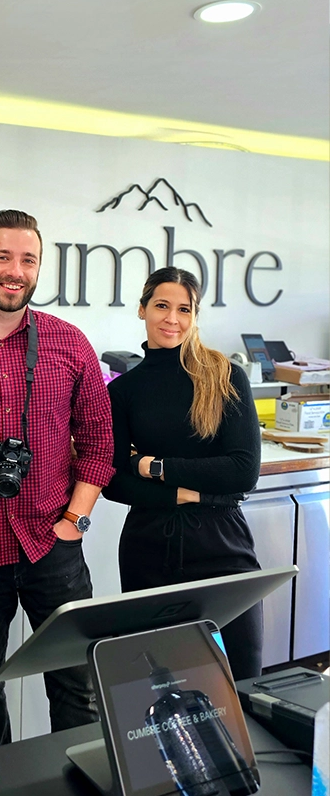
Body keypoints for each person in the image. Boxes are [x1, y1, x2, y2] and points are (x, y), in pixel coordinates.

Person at [0, 209, 115, 753]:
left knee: (75, 687)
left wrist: (75, 521)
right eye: (4, 257)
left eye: (28, 259)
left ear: (39, 268)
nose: (15, 270)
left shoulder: (69, 343)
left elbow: (100, 446)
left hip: (52, 543)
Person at [103, 266, 263, 679]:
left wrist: (153, 466)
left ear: (194, 317)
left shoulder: (225, 376)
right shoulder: (123, 391)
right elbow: (116, 481)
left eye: (184, 309)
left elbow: (243, 472)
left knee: (242, 679)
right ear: (142, 310)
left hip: (222, 544)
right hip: (148, 546)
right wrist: (190, 492)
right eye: (161, 306)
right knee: (157, 685)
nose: (172, 318)